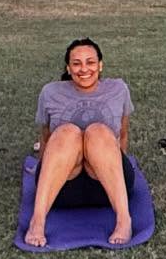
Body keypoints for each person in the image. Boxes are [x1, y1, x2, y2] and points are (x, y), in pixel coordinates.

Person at [25, 39, 135, 247]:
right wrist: (43, 169)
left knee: (97, 131)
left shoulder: (118, 89)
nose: (84, 69)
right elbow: (46, 138)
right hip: (64, 188)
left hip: (105, 187)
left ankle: (123, 219)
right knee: (67, 132)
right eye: (76, 63)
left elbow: (123, 133)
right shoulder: (51, 92)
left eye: (90, 62)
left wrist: (119, 168)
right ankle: (37, 220)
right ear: (68, 67)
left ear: (100, 65)